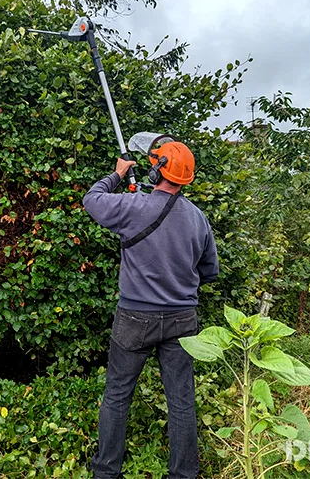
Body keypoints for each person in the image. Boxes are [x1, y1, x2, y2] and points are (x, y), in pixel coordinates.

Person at [83, 141, 219, 479]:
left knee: (117, 396)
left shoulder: (133, 206)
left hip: (134, 318)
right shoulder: (198, 218)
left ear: (156, 169)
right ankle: (184, 475)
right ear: (185, 179)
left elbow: (92, 201)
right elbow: (209, 271)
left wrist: (116, 175)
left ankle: (106, 472)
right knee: (182, 401)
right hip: (182, 320)